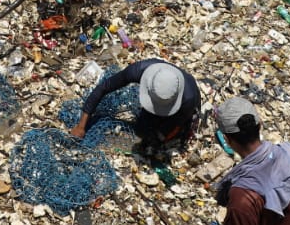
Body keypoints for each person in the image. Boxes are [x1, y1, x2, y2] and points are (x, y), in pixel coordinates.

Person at [69, 60, 200, 157]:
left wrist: (159, 139)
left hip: (182, 111)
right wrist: (81, 126)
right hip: (165, 102)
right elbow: (104, 87)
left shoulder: (188, 100)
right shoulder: (139, 70)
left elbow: (175, 125)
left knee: (157, 137)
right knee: (142, 127)